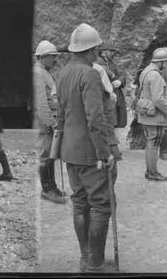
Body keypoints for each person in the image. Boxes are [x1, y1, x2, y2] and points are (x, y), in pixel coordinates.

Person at [55, 23, 116, 272]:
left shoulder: (63, 73)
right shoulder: (89, 73)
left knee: (80, 203)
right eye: (98, 50)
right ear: (91, 50)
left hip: (70, 150)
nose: (98, 54)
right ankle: (95, 262)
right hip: (91, 152)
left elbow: (61, 114)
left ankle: (86, 256)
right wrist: (105, 152)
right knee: (101, 203)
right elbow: (95, 118)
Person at [139, 47, 167, 182]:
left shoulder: (145, 72)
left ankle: (149, 171)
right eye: (166, 63)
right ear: (161, 62)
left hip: (146, 114)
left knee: (150, 143)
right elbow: (158, 99)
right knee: (153, 143)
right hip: (154, 117)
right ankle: (152, 172)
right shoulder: (155, 75)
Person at [33, 40, 65, 204]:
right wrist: (52, 123)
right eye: (52, 57)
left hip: (47, 122)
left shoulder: (43, 71)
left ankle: (52, 187)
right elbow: (41, 103)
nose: (55, 60)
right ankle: (47, 190)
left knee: (50, 155)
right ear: (43, 57)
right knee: (45, 156)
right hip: (43, 123)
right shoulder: (38, 73)